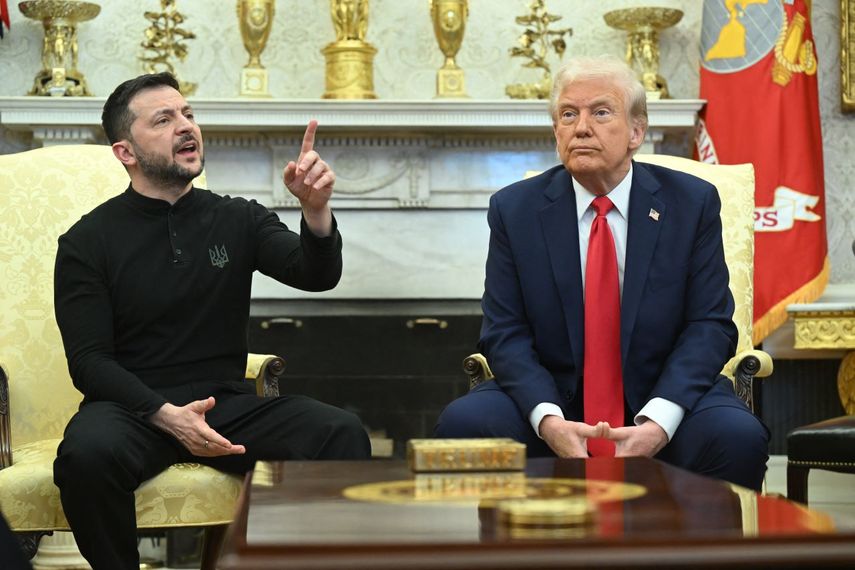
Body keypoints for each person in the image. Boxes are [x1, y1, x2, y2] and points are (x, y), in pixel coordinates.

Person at [52, 72, 371, 569]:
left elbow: (314, 275)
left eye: (188, 114)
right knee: (85, 456)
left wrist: (315, 211)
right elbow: (89, 362)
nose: (186, 127)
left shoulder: (238, 217)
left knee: (341, 432)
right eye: (164, 119)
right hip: (133, 411)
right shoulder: (86, 242)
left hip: (225, 404)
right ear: (126, 152)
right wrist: (163, 412)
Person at [435, 56, 768, 491]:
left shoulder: (691, 204)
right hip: (554, 396)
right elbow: (504, 332)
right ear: (556, 130)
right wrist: (548, 420)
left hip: (663, 393)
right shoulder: (515, 210)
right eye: (568, 114)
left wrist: (658, 421)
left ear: (636, 131)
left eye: (601, 112)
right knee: (465, 422)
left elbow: (710, 325)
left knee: (736, 436)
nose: (581, 127)